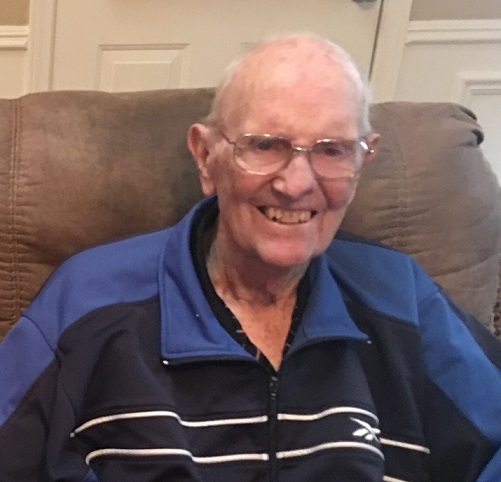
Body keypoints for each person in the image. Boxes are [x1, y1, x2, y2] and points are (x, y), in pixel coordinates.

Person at [0, 34, 500, 482]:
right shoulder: (87, 301)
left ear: (364, 158)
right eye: (265, 145)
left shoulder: (402, 298)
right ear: (206, 157)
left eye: (332, 150)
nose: (296, 184)